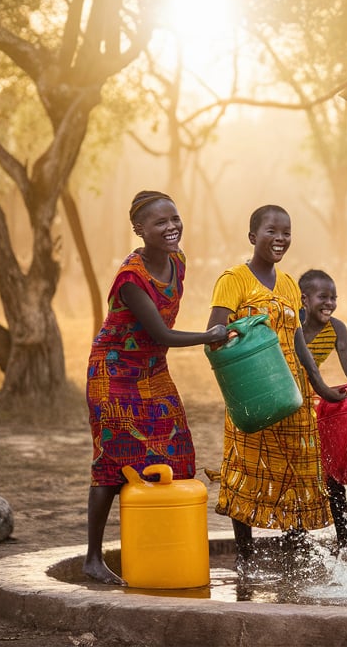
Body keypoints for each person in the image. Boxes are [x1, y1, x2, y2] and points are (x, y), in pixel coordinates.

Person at [84, 191, 230, 585]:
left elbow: (159, 339)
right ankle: (93, 559)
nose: (171, 228)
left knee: (177, 450)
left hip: (152, 369)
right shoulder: (131, 278)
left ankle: (161, 544)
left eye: (175, 219)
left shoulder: (178, 260)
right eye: (160, 223)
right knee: (113, 464)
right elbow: (160, 332)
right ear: (139, 230)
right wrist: (209, 335)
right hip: (114, 375)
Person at [208, 205, 347, 575]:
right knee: (246, 468)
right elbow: (215, 333)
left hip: (293, 393)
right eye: (272, 231)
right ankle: (245, 555)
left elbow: (300, 344)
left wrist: (322, 387)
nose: (281, 238)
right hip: (252, 390)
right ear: (253, 236)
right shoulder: (233, 279)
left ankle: (296, 547)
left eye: (286, 232)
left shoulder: (288, 285)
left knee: (298, 469)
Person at [299, 269, 347, 552]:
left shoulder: (337, 328)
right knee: (299, 470)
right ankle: (297, 534)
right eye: (323, 297)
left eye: (333, 298)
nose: (329, 303)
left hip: (314, 403)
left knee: (330, 471)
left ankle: (345, 537)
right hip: (290, 398)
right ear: (304, 299)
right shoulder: (292, 325)